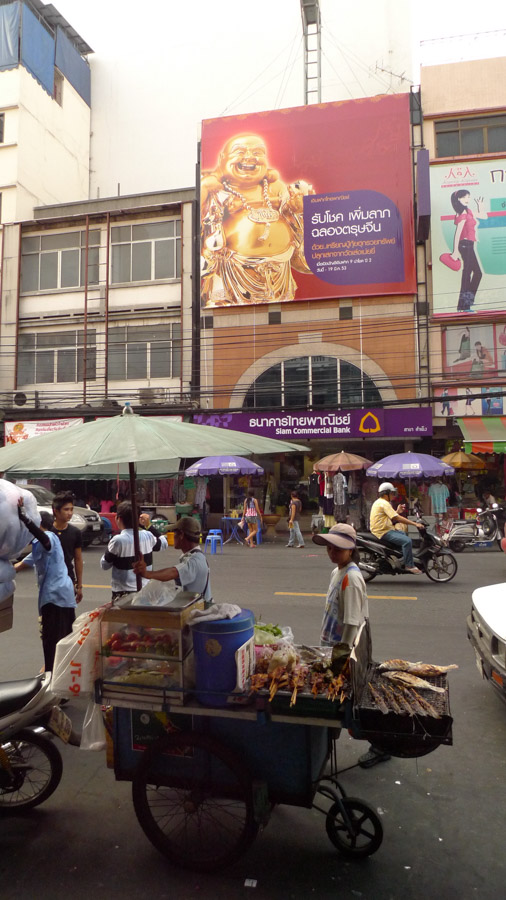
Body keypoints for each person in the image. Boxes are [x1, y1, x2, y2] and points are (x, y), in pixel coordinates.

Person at [201, 132, 314, 307]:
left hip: (278, 274)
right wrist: (205, 188)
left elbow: (298, 240)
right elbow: (196, 224)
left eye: (257, 152)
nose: (249, 157)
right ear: (223, 158)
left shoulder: (276, 187)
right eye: (239, 151)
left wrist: (297, 210)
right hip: (234, 273)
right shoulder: (213, 188)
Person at [312, 523, 390, 768]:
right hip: (332, 647)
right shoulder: (338, 572)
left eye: (338, 548)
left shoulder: (352, 579)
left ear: (351, 550)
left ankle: (381, 745)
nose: (332, 552)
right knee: (341, 703)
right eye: (330, 548)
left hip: (344, 651)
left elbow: (351, 624)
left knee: (351, 707)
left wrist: (339, 660)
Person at [14, 503, 76, 672]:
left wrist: (25, 519)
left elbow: (45, 540)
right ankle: (62, 680)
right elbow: (19, 566)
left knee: (52, 642)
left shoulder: (49, 537)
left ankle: (52, 683)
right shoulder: (39, 546)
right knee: (63, 641)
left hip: (55, 597)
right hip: (64, 596)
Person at [133, 516, 212, 603]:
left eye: (174, 533)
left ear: (181, 535)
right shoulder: (194, 556)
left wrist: (147, 574)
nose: (173, 536)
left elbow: (174, 572)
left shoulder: (195, 560)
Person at [100, 501, 168, 599]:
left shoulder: (117, 540)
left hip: (123, 594)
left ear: (118, 519)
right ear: (138, 519)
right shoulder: (148, 535)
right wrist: (149, 526)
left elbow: (104, 565)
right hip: (146, 591)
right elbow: (163, 543)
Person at [369, 483, 424, 574]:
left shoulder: (381, 502)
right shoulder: (384, 503)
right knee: (407, 541)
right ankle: (409, 565)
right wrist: (415, 524)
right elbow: (396, 518)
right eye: (391, 493)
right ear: (386, 494)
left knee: (402, 534)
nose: (393, 495)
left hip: (384, 529)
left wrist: (397, 511)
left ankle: (400, 559)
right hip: (383, 532)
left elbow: (391, 516)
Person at [449, 190, 487, 312]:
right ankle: (464, 305)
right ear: (458, 199)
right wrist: (455, 251)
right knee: (469, 273)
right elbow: (458, 233)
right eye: (465, 197)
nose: (467, 199)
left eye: (469, 197)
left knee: (474, 273)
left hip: (468, 245)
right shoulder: (463, 213)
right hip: (464, 245)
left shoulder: (468, 211)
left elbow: (484, 216)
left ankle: (465, 304)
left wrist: (480, 205)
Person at [52, 491, 83, 604]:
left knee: (68, 615)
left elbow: (78, 559)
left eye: (71, 509)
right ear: (56, 511)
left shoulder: (75, 532)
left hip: (68, 578)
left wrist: (79, 586)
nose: (70, 513)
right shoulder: (48, 532)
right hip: (50, 580)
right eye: (66, 509)